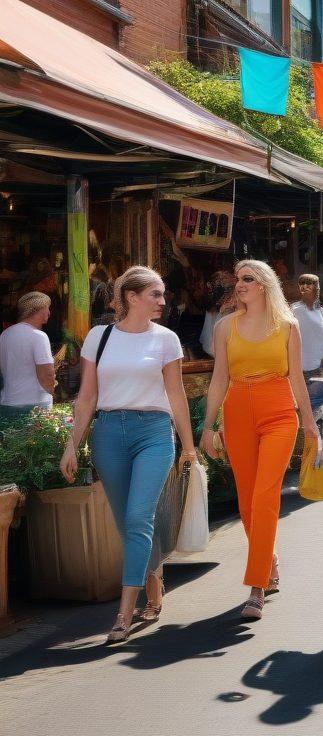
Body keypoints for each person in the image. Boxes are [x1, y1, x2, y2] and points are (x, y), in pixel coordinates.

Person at [58, 267, 197, 643]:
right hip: (108, 433)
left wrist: (188, 447)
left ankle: (123, 613)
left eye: (163, 294)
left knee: (138, 516)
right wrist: (72, 444)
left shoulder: (166, 339)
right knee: (127, 524)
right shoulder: (98, 337)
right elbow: (86, 397)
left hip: (153, 432)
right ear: (131, 297)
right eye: (155, 294)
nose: (163, 302)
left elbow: (176, 396)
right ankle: (153, 581)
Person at [201, 260, 319, 622]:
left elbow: (297, 377)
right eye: (237, 279)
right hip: (237, 411)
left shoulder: (287, 326)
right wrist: (208, 426)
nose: (239, 284)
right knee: (247, 502)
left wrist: (310, 423)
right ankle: (268, 562)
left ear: (265, 285)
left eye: (247, 279)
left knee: (267, 494)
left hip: (279, 410)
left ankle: (257, 586)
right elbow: (219, 378)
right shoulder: (224, 327)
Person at [0, 292, 56, 422]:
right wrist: (52, 393)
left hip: (7, 403)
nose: (49, 312)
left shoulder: (5, 335)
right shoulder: (38, 336)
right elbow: (47, 375)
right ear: (39, 310)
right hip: (33, 406)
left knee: (10, 442)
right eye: (47, 307)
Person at [292, 274, 323, 429]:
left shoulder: (320, 311)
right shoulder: (295, 310)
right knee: (302, 409)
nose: (305, 287)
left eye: (310, 284)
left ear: (317, 287)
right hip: (299, 369)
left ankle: (317, 420)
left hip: (318, 368)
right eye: (302, 283)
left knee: (313, 405)